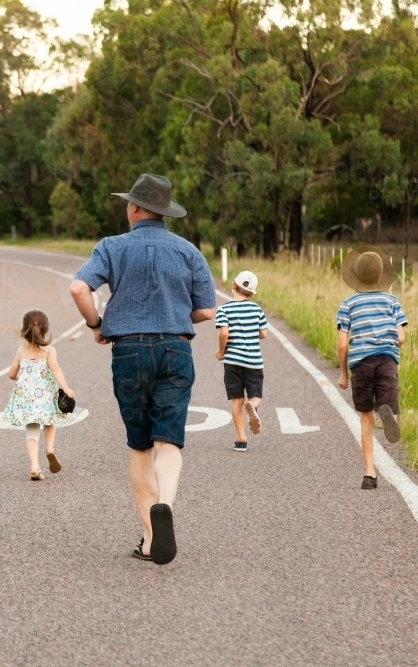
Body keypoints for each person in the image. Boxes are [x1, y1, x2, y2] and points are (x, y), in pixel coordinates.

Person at [69, 174, 215, 565]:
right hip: (175, 349)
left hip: (129, 350)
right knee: (169, 441)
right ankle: (165, 504)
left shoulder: (112, 247)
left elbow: (79, 289)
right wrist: (175, 314)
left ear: (134, 208)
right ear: (164, 211)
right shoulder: (188, 251)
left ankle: (150, 540)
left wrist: (95, 325)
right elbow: (206, 310)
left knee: (140, 446)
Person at [335, 246, 408, 490]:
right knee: (388, 404)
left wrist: (344, 374)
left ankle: (369, 474)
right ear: (380, 275)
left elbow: (342, 345)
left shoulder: (348, 304)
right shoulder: (391, 300)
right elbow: (401, 337)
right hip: (386, 360)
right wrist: (385, 336)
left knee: (365, 418)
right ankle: (388, 414)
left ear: (355, 275)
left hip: (361, 364)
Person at [3, 310, 76, 481]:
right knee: (50, 421)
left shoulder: (21, 352)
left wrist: (20, 375)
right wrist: (66, 388)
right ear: (45, 329)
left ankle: (35, 467)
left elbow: (11, 374)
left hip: (26, 397)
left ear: (24, 330)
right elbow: (56, 370)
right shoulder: (49, 350)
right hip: (45, 396)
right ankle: (50, 448)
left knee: (31, 432)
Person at [214, 271, 268, 452]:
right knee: (256, 396)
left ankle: (241, 440)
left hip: (232, 361)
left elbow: (223, 333)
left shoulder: (223, 309)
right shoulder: (256, 309)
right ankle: (252, 406)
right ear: (252, 293)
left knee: (236, 400)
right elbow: (264, 333)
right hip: (253, 361)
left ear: (232, 285)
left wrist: (221, 351)